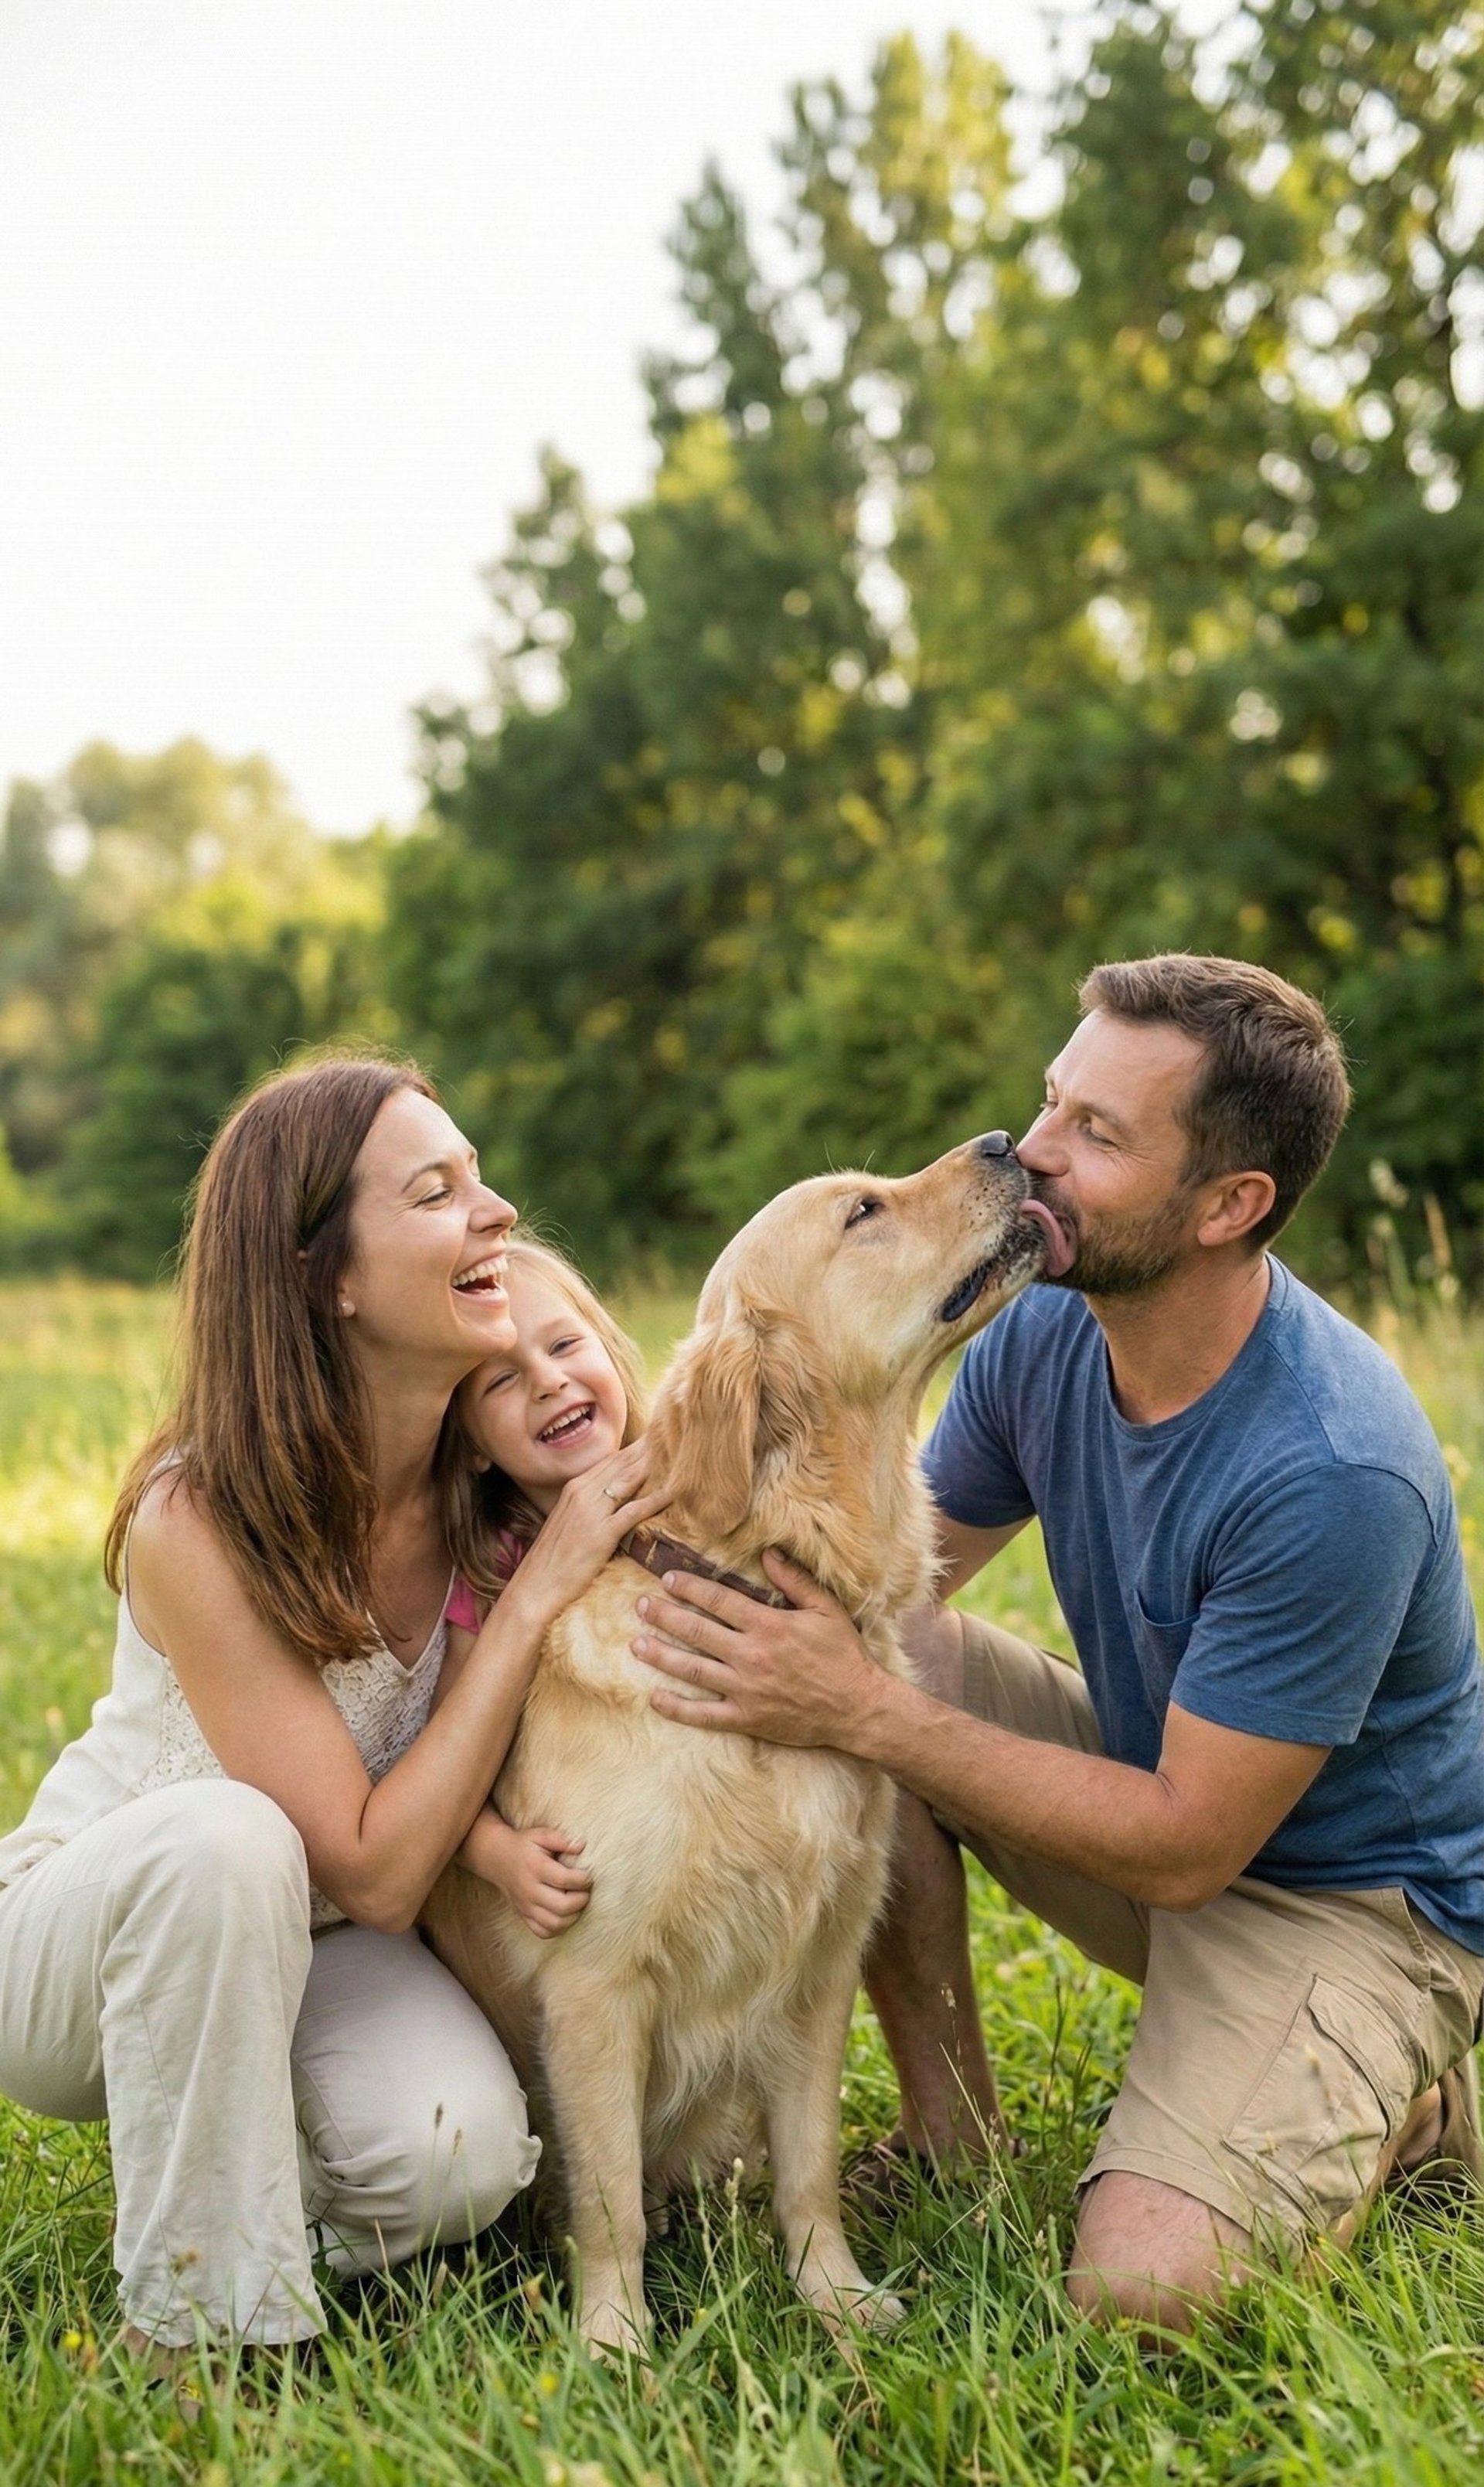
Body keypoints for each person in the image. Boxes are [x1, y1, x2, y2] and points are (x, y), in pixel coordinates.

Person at [630, 953, 1484, 2331]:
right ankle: (951, 2135)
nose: (1034, 1152)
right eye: (1052, 1100)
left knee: (1143, 2290)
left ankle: (1399, 2090)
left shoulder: (1335, 1467)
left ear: (1229, 1204)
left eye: (1098, 1133)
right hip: (1165, 1798)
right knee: (888, 1658)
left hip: (1349, 1901)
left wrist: (865, 1710)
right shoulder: (1043, 1330)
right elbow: (872, 1595)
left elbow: (1190, 1847)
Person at [0, 1057, 665, 2360]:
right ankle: (199, 2335)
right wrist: (536, 1601)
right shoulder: (200, 1515)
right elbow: (373, 1869)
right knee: (231, 1837)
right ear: (329, 1279)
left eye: (480, 1178)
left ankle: (221, 2183)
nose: (497, 1212)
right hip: (93, 1937)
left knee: (459, 2159)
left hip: (314, 1942)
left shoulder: (484, 1494)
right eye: (437, 1192)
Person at [434, 1237, 648, 1939]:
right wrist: (497, 1855)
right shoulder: (495, 1571)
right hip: (596, 1880)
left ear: (610, 1351)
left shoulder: (690, 1496)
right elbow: (445, 1757)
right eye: (501, 1380)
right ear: (472, 1445)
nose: (549, 1381)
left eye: (565, 1345)